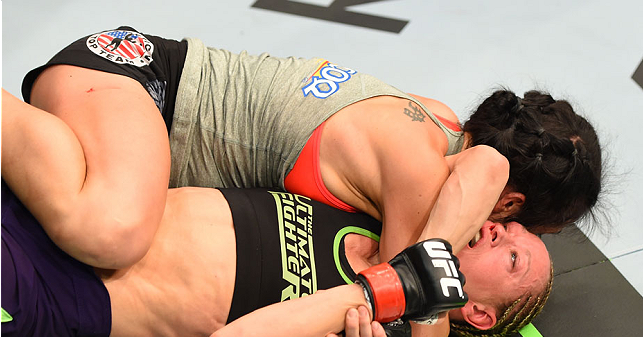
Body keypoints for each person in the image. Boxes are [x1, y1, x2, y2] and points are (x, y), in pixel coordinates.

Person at [1, 25, 602, 273]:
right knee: (111, 233)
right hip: (132, 82)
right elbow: (407, 325)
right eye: (530, 232)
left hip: (134, 90)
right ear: (506, 203)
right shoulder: (417, 172)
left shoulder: (440, 124)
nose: (508, 241)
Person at [1, 179, 552, 337]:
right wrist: (419, 264)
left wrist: (384, 294)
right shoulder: (388, 219)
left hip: (42, 286)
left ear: (481, 312)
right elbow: (482, 163)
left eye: (512, 260)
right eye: (510, 228)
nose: (499, 234)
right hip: (57, 201)